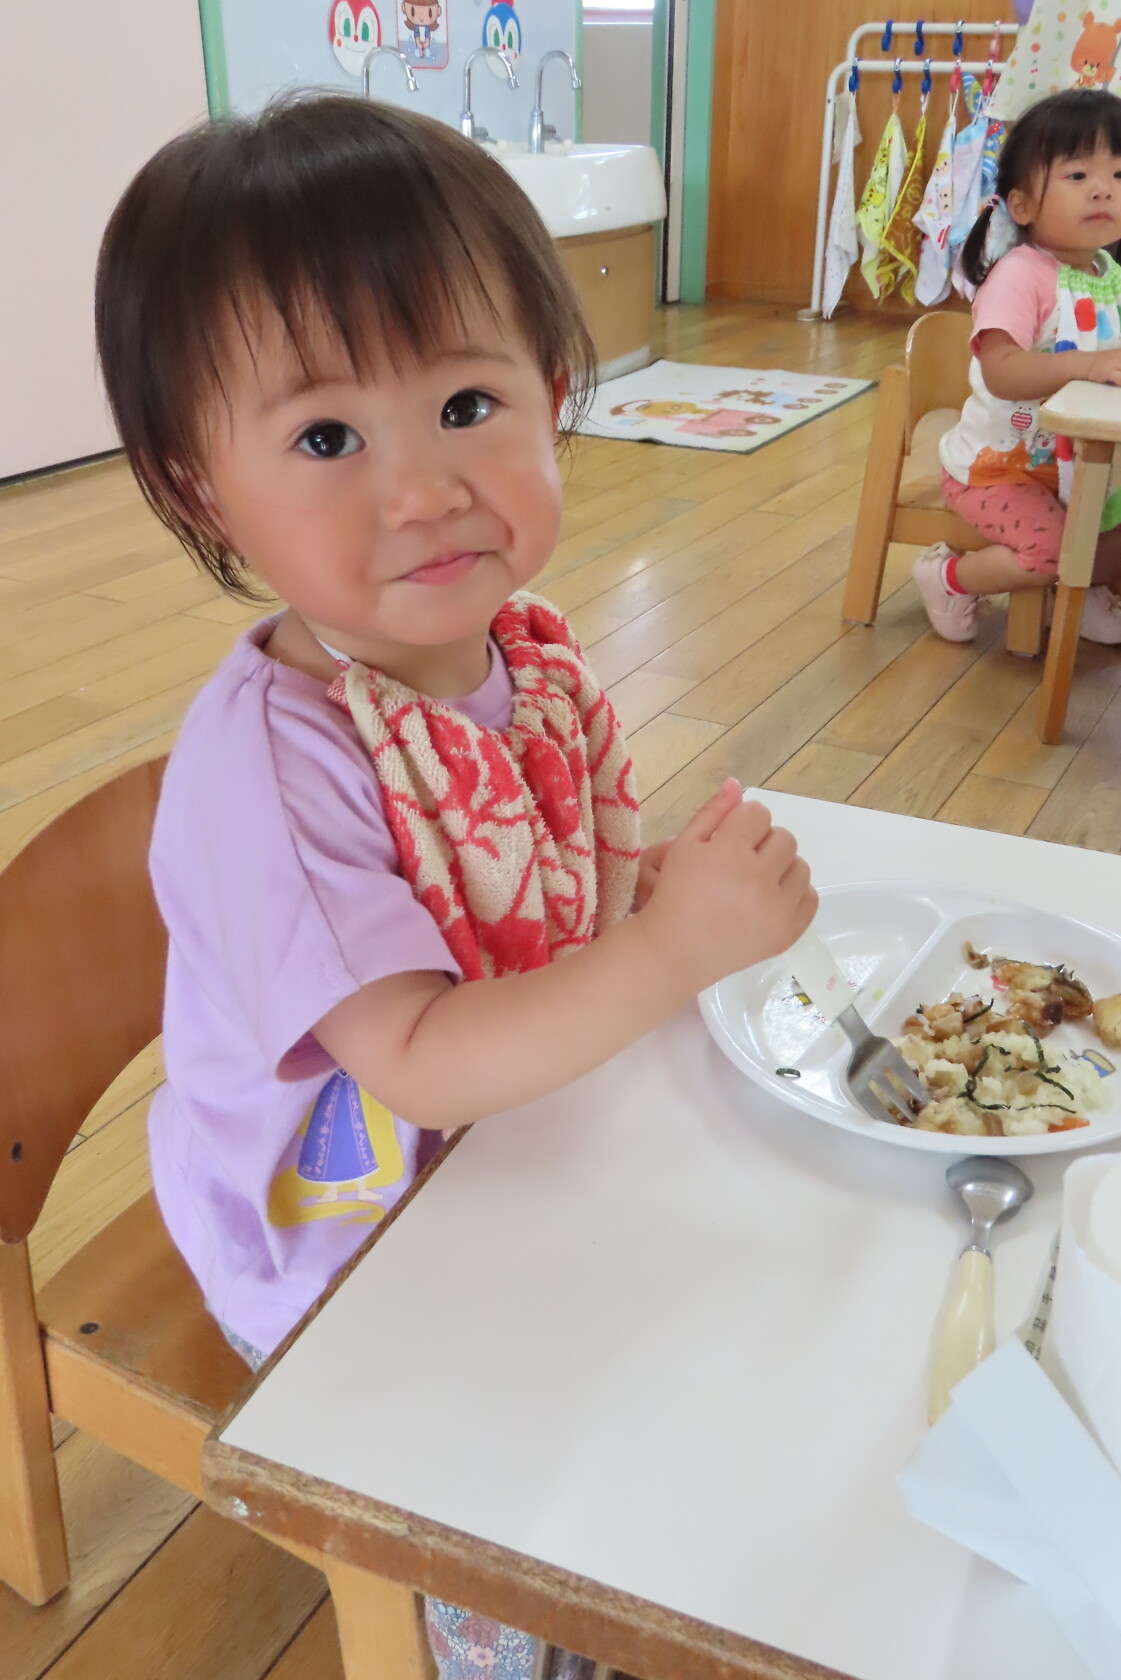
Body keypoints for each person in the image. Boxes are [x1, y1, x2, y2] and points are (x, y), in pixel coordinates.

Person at [94, 95, 816, 1680]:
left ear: (556, 394)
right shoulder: (273, 771)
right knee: (531, 1492)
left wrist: (648, 902)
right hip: (337, 1223)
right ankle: (495, 1627)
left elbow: (542, 872)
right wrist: (669, 954)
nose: (421, 490)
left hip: (515, 1129)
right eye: (327, 438)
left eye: (469, 403)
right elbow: (414, 1058)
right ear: (201, 487)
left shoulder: (518, 656)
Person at [914, 90, 1121, 645]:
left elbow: (1106, 336)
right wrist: (1090, 363)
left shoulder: (1104, 271)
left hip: (1082, 463)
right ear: (1023, 205)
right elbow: (1003, 371)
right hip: (999, 469)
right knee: (1052, 546)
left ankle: (1073, 592)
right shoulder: (1020, 275)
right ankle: (950, 578)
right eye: (1078, 175)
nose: (1103, 188)